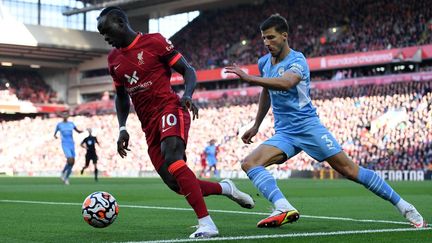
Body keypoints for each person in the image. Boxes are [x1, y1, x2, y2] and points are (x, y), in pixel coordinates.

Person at [224, 14, 426, 228]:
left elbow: (286, 83)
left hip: (308, 127)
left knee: (350, 171)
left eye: (271, 38)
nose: (266, 43)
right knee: (249, 163)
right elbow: (267, 91)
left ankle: (404, 206)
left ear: (284, 36)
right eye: (264, 38)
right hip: (285, 133)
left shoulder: (297, 60)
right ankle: (283, 207)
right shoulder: (264, 62)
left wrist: (249, 78)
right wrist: (256, 125)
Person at [97, 6, 254, 238]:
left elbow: (188, 70)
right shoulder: (113, 60)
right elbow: (121, 96)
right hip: (148, 124)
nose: (106, 38)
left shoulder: (155, 42)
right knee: (176, 183)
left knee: (173, 158)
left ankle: (207, 224)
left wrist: (187, 95)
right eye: (102, 34)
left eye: (107, 31)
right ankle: (225, 188)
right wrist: (122, 128)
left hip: (171, 108)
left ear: (120, 22)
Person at [54, 113, 82, 185]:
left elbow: (77, 131)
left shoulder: (71, 124)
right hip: (65, 144)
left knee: (72, 162)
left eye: (66, 115)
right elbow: (55, 133)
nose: (65, 116)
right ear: (62, 116)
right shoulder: (59, 125)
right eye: (64, 115)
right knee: (70, 159)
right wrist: (55, 136)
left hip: (71, 144)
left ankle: (66, 177)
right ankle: (63, 173)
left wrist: (81, 131)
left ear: (68, 116)